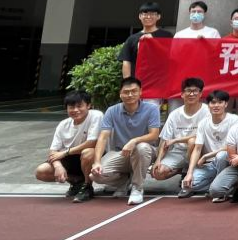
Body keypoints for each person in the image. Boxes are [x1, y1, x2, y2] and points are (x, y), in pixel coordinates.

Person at [86, 77, 160, 205]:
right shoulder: (112, 111)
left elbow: (154, 135)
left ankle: (137, 188)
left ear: (140, 92)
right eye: (126, 92)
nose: (130, 95)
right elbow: (103, 137)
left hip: (146, 151)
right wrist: (96, 162)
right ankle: (124, 180)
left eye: (134, 91)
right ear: (120, 94)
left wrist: (134, 141)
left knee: (141, 147)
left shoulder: (152, 109)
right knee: (95, 175)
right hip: (120, 153)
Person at [35, 90, 102, 200]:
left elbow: (92, 142)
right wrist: (58, 166)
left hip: (92, 158)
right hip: (70, 159)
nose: (75, 110)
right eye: (71, 107)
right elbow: (53, 151)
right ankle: (77, 182)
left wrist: (65, 152)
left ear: (89, 105)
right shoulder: (63, 125)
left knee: (88, 152)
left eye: (79, 106)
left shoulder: (96, 115)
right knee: (41, 172)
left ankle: (87, 186)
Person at [151, 77, 209, 188]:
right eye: (188, 91)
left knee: (192, 141)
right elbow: (165, 140)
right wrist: (158, 160)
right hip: (178, 152)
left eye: (195, 91)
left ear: (201, 94)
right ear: (182, 94)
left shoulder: (207, 111)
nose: (191, 94)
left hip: (199, 151)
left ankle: (190, 171)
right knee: (158, 173)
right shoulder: (174, 114)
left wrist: (176, 140)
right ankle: (181, 169)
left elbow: (202, 135)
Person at [180, 89, 238, 198]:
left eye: (220, 102)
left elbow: (231, 147)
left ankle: (221, 187)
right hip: (209, 165)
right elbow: (197, 149)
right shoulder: (203, 123)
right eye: (213, 102)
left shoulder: (234, 119)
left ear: (226, 104)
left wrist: (207, 155)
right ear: (208, 105)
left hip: (226, 162)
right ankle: (219, 186)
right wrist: (189, 173)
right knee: (187, 185)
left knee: (221, 156)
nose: (216, 105)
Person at [117, 2, 173, 80]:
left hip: (161, 81)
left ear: (158, 16)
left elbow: (172, 57)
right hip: (138, 81)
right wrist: (128, 82)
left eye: (152, 14)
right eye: (145, 14)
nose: (148, 16)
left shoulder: (167, 36)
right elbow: (126, 61)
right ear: (140, 16)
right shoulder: (132, 39)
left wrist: (153, 42)